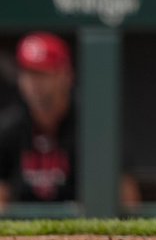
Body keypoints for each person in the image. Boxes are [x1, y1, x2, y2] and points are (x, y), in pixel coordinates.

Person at [0, 32, 140, 209]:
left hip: (86, 229)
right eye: (27, 73)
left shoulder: (94, 125)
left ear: (65, 74)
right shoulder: (9, 128)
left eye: (42, 74)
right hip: (25, 232)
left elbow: (126, 196)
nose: (33, 83)